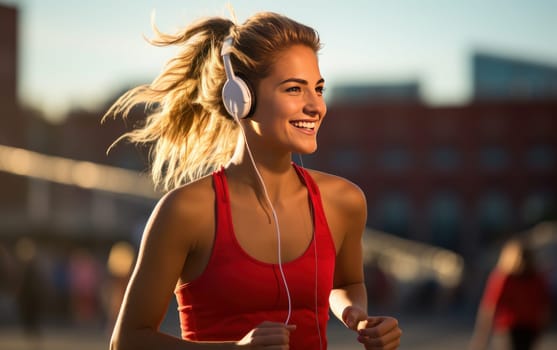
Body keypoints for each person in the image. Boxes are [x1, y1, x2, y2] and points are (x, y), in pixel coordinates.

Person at [105, 10, 402, 350]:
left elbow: (347, 283)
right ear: (241, 98)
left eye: (318, 89)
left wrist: (357, 314)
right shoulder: (186, 210)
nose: (315, 106)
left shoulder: (344, 201)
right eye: (294, 89)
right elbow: (126, 341)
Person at [469, 237, 552, 350]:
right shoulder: (505, 278)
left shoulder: (534, 278)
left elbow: (543, 304)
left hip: (525, 327)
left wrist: (481, 336)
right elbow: (490, 307)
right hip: (514, 327)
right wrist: (481, 336)